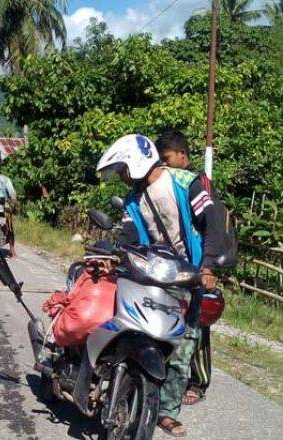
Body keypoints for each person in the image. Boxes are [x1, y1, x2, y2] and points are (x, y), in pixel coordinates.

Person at [97, 134, 228, 438]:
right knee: (136, 331)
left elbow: (213, 221)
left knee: (182, 347)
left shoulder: (187, 182)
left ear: (137, 162)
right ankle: (125, 384)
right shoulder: (133, 200)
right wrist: (113, 256)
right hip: (153, 274)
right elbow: (129, 236)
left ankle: (166, 411)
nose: (121, 176)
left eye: (123, 169)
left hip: (189, 278)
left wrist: (208, 265)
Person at [156, 129, 213, 406]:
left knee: (197, 327)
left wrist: (207, 265)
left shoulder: (197, 182)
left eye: (167, 158)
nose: (164, 164)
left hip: (197, 264)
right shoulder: (166, 181)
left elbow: (207, 224)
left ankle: (199, 382)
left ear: (182, 155)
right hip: (172, 266)